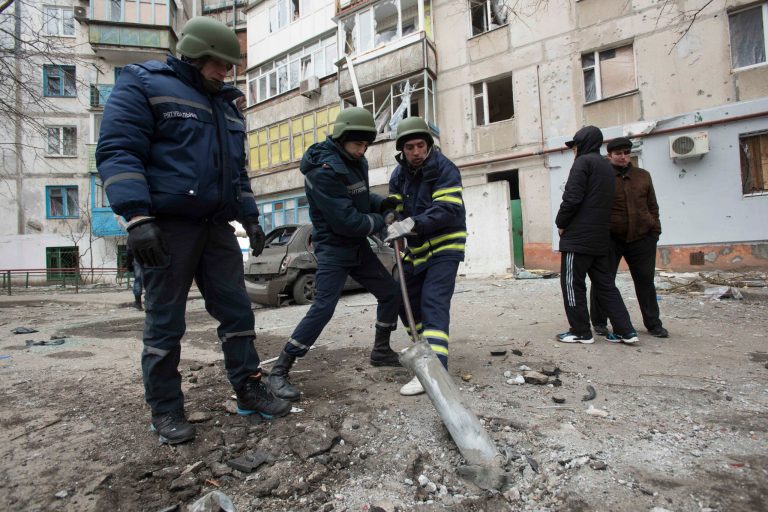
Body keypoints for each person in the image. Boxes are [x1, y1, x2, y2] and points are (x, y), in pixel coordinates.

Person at [96, 17, 291, 445]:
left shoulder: (224, 104)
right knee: (166, 322)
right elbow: (118, 149)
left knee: (238, 312)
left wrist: (252, 217)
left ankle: (248, 390)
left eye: (228, 65)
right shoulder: (145, 83)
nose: (225, 72)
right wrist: (137, 218)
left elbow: (235, 171)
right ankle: (166, 410)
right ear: (194, 54)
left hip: (215, 227)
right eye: (218, 63)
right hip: (166, 226)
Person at [266, 107, 402, 402]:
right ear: (341, 139)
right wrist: (385, 220)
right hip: (334, 249)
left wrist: (382, 202)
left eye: (366, 145)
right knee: (323, 308)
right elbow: (350, 222)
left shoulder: (356, 159)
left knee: (391, 292)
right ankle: (280, 369)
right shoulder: (323, 172)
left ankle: (381, 351)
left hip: (357, 248)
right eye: (357, 144)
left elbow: (360, 197)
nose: (362, 150)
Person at [384, 117, 467, 396]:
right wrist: (389, 218)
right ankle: (424, 352)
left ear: (429, 145)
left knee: (433, 302)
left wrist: (410, 224)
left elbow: (448, 208)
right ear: (402, 150)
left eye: (421, 145)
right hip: (417, 250)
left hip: (445, 246)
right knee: (401, 298)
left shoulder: (444, 169)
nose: (416, 152)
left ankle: (434, 373)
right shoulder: (398, 175)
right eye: (410, 147)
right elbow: (394, 205)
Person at [555, 126, 639, 345]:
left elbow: (572, 198)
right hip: (601, 238)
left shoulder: (582, 163)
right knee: (606, 285)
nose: (573, 151)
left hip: (578, 239)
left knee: (572, 284)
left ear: (582, 144)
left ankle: (581, 331)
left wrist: (561, 223)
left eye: (574, 146)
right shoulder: (605, 165)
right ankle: (626, 331)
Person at [590, 137, 668, 338]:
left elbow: (652, 205)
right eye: (618, 154)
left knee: (645, 281)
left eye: (626, 153)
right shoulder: (602, 176)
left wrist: (654, 230)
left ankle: (653, 324)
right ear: (610, 156)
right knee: (604, 280)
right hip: (611, 238)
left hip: (642, 238)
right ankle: (599, 322)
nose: (623, 157)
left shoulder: (643, 176)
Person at [125, 246, 143, 310]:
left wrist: (129, 264)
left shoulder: (133, 235)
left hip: (138, 257)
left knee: (138, 280)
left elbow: (130, 250)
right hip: (152, 257)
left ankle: (138, 303)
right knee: (152, 279)